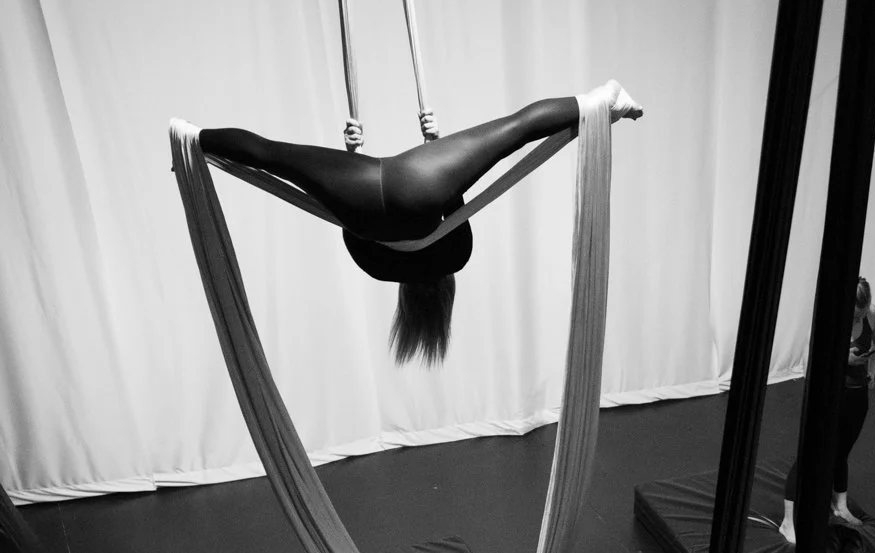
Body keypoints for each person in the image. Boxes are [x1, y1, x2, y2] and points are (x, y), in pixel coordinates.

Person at [200, 84, 641, 366]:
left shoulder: (456, 258)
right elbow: (351, 225)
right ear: (407, 307)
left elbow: (453, 199)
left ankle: (604, 99)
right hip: (358, 194)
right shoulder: (377, 269)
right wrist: (352, 158)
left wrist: (439, 149)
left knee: (517, 128)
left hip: (421, 186)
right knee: (270, 155)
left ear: (446, 299)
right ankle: (194, 140)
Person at [779, 278, 875, 543]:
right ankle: (787, 522)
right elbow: (812, 360)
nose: (859, 317)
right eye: (855, 314)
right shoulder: (830, 320)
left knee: (841, 451)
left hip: (857, 394)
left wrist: (871, 372)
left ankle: (840, 505)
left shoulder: (872, 314)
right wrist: (843, 359)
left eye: (862, 313)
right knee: (809, 453)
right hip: (829, 395)